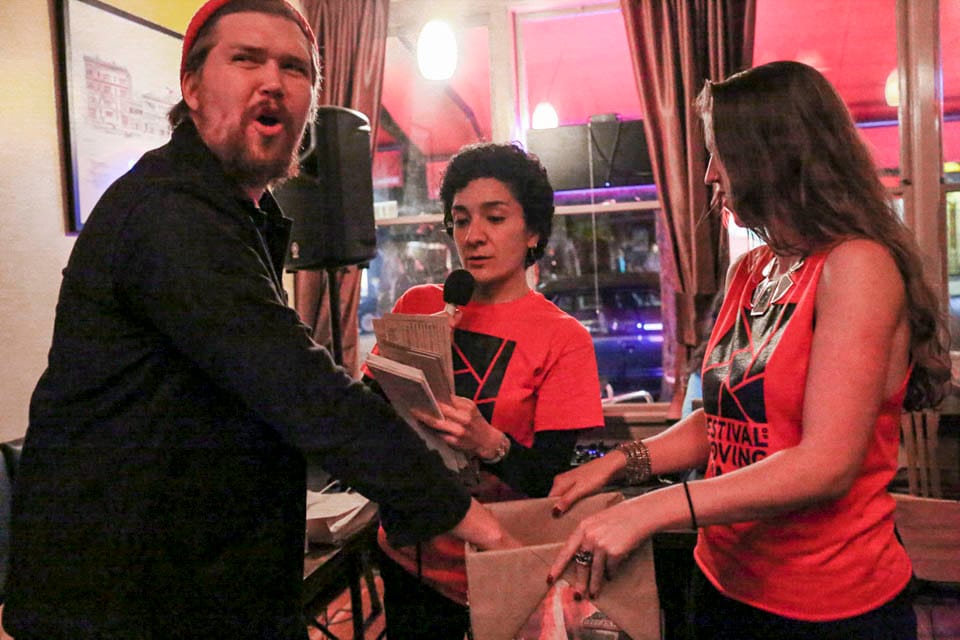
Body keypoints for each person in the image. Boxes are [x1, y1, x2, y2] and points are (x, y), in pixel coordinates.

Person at [4, 2, 515, 638]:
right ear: (192, 87)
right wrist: (482, 526)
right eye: (245, 59)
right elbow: (301, 388)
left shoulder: (236, 213)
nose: (272, 81)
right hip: (121, 604)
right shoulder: (169, 213)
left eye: (294, 68)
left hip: (195, 590)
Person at [546, 60, 951, 639]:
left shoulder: (857, 266)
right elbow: (727, 420)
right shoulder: (751, 269)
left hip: (826, 609)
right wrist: (619, 464)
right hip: (722, 582)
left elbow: (826, 464)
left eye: (720, 154)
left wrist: (652, 508)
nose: (710, 175)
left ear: (774, 153)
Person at [364, 142, 605, 639]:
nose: (473, 237)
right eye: (461, 220)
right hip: (408, 559)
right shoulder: (420, 304)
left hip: (505, 567)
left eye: (495, 219)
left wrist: (488, 443)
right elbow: (367, 420)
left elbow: (550, 483)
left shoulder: (565, 338)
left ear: (533, 231)